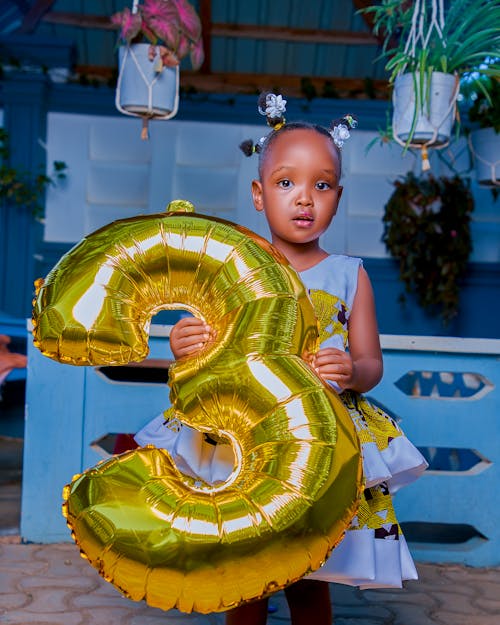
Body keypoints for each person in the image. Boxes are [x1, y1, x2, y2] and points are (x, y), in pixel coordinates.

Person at [133, 93, 428, 624]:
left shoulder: (348, 274)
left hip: (320, 439)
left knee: (309, 573)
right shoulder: (231, 266)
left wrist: (350, 372)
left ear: (338, 196)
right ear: (258, 194)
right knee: (244, 572)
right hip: (243, 437)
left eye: (321, 184)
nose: (304, 198)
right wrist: (183, 347)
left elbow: (371, 364)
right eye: (286, 182)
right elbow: (208, 355)